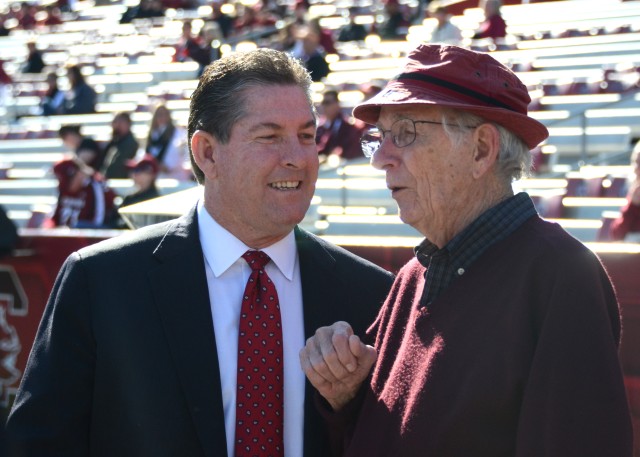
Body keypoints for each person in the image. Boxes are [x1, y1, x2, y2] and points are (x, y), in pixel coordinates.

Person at [6, 48, 393, 457]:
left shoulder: (369, 292)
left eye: (306, 136)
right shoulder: (101, 281)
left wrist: (349, 403)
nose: (297, 157)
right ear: (207, 152)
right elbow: (38, 442)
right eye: (269, 137)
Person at [300, 44, 633, 457]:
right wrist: (348, 395)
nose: (380, 159)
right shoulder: (414, 275)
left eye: (404, 132)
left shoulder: (559, 275)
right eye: (379, 138)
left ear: (480, 149)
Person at [46, 157, 116, 228]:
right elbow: (55, 217)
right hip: (68, 234)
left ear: (78, 174)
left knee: (79, 225)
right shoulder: (62, 188)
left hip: (90, 232)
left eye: (67, 179)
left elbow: (98, 219)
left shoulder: (95, 185)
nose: (63, 184)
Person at [111, 154, 161, 229]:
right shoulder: (130, 198)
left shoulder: (155, 201)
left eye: (138, 170)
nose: (133, 174)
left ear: (151, 174)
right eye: (132, 170)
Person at [316, 89, 366, 161]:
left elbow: (350, 152)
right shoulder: (320, 127)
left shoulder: (349, 128)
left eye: (327, 103)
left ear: (337, 104)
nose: (323, 106)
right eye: (322, 103)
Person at [145, 103, 190, 180]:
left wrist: (168, 167)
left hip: (175, 177)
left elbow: (182, 155)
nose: (162, 117)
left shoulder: (178, 133)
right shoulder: (153, 135)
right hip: (157, 177)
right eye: (159, 115)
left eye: (164, 114)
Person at [609, 141, 640, 241]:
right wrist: (633, 205)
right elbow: (616, 234)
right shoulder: (635, 192)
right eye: (636, 162)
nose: (637, 169)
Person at [101, 111, 140, 179]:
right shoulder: (115, 142)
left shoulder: (130, 144)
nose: (117, 125)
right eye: (115, 122)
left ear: (128, 124)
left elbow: (119, 166)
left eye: (120, 122)